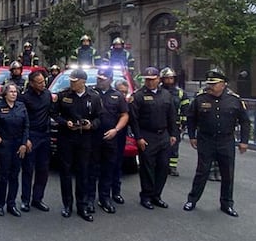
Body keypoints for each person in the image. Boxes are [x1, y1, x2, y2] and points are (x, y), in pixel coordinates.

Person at [184, 69, 250, 217]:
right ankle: (192, 200)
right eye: (209, 84)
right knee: (202, 171)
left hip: (225, 140)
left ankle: (227, 204)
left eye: (214, 84)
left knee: (227, 174)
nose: (211, 86)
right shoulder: (201, 98)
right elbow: (191, 118)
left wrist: (244, 141)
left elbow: (245, 122)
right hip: (206, 139)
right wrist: (192, 136)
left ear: (223, 84)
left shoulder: (234, 100)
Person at [54, 69, 102, 221]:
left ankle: (82, 206)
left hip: (85, 139)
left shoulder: (93, 97)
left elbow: (99, 117)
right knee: (66, 172)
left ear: (83, 82)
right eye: (71, 81)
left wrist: (91, 125)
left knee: (83, 172)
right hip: (66, 137)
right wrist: (64, 122)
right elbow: (54, 114)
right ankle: (67, 205)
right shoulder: (63, 95)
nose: (72, 83)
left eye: (75, 81)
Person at [130, 67, 178, 210]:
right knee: (147, 168)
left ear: (158, 79)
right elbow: (134, 119)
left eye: (152, 80)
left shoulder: (166, 95)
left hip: (163, 135)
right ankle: (146, 195)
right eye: (147, 80)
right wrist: (138, 138)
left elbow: (172, 116)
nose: (150, 83)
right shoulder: (138, 96)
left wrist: (173, 134)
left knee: (163, 166)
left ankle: (157, 195)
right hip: (147, 135)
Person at [0, 82, 29, 217]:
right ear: (5, 94)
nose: (13, 94)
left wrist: (24, 144)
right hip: (4, 144)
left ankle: (11, 203)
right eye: (11, 92)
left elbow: (26, 126)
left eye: (15, 92)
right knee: (3, 175)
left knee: (14, 175)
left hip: (18, 144)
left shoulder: (21, 106)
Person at [94, 68, 130, 214]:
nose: (99, 81)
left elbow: (124, 115)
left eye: (102, 79)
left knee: (108, 170)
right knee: (91, 170)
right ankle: (89, 200)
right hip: (92, 138)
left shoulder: (117, 96)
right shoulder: (91, 93)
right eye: (98, 78)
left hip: (110, 138)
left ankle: (104, 199)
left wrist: (116, 129)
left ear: (110, 79)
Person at [18, 69, 54, 212]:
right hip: (31, 136)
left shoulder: (47, 94)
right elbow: (22, 120)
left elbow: (52, 111)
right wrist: (25, 139)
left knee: (43, 169)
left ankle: (37, 199)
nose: (42, 84)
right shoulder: (24, 98)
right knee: (28, 169)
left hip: (45, 135)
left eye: (43, 82)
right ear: (32, 83)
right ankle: (25, 200)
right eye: (39, 83)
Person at [161, 67, 190, 177]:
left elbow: (185, 109)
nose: (169, 81)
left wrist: (183, 123)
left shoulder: (180, 93)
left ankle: (172, 167)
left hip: (175, 125)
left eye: (171, 78)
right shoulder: (158, 91)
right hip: (161, 124)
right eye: (166, 79)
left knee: (174, 146)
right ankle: (162, 166)